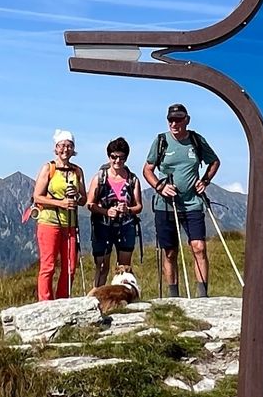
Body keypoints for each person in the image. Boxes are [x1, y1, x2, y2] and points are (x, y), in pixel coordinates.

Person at [142, 103, 220, 298]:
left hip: (193, 202)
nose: (174, 123)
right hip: (166, 205)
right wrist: (160, 187)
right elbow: (147, 169)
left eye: (178, 119)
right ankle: (173, 296)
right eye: (171, 120)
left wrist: (205, 181)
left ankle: (202, 295)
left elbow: (214, 161)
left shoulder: (196, 140)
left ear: (187, 120)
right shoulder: (161, 141)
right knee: (169, 252)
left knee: (199, 247)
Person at [33, 129, 86, 301]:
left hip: (70, 224)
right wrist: (61, 203)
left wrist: (76, 196)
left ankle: (63, 300)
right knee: (48, 266)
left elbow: (83, 199)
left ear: (73, 149)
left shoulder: (77, 171)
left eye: (69, 146)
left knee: (70, 266)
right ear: (56, 148)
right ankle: (45, 303)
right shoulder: (49, 168)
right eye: (62, 145)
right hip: (49, 222)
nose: (66, 149)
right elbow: (37, 196)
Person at [86, 137, 143, 288]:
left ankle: (121, 296)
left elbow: (138, 206)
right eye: (114, 157)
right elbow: (90, 203)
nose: (117, 161)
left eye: (121, 158)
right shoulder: (99, 177)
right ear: (109, 157)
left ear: (126, 158)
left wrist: (128, 209)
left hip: (126, 226)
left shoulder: (133, 179)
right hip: (102, 226)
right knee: (102, 266)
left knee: (124, 267)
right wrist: (105, 211)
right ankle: (98, 297)